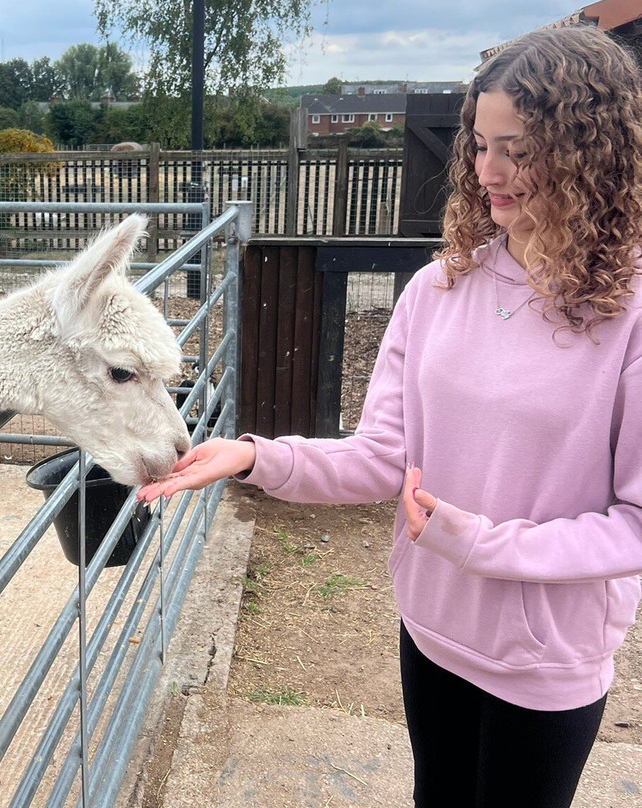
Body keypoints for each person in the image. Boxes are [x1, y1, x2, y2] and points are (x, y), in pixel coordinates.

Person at [138, 24, 642, 808]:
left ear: (589, 150)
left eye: (518, 148)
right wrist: (252, 458)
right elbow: (382, 456)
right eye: (479, 145)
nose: (489, 172)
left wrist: (479, 543)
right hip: (431, 628)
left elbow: (634, 524)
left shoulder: (631, 314)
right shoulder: (438, 291)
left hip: (544, 665)